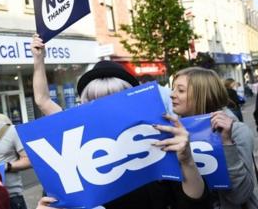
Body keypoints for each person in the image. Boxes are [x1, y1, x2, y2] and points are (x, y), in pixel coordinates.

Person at [31, 34, 210, 209]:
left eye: (114, 99)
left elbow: (193, 202)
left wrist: (187, 162)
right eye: (96, 102)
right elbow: (42, 100)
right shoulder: (70, 150)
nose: (106, 109)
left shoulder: (155, 138)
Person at [171, 67, 258, 208]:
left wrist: (227, 143)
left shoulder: (237, 132)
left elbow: (241, 195)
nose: (172, 95)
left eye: (180, 90)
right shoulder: (174, 131)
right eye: (173, 89)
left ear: (203, 95)